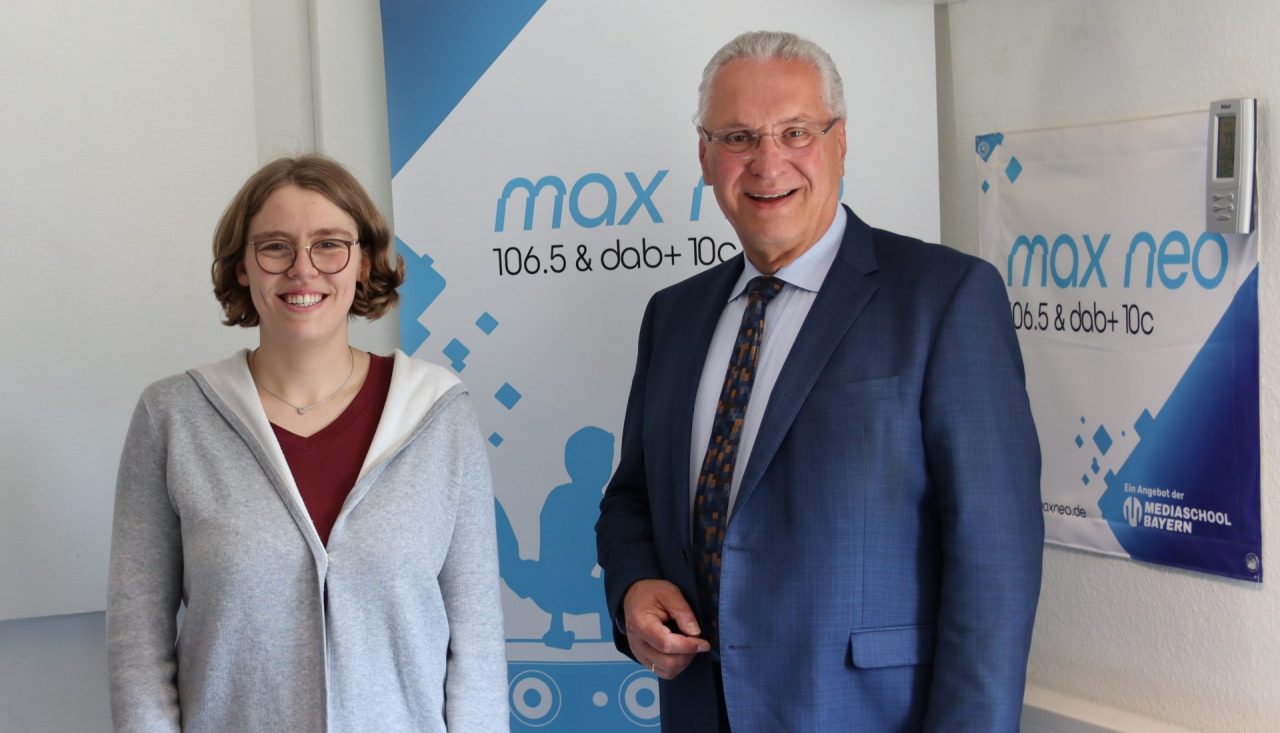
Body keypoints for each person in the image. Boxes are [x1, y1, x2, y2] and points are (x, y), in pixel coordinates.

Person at [595, 31, 1043, 733]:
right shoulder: (673, 315)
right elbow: (631, 500)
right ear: (706, 157)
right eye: (739, 136)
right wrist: (634, 586)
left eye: (795, 131)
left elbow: (994, 563)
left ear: (839, 142)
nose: (768, 163)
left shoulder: (945, 298)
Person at [107, 155, 508, 732]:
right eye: (274, 246)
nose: (303, 269)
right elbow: (137, 642)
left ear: (363, 262)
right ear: (243, 267)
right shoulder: (173, 417)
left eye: (329, 245)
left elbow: (476, 643)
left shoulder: (439, 414)